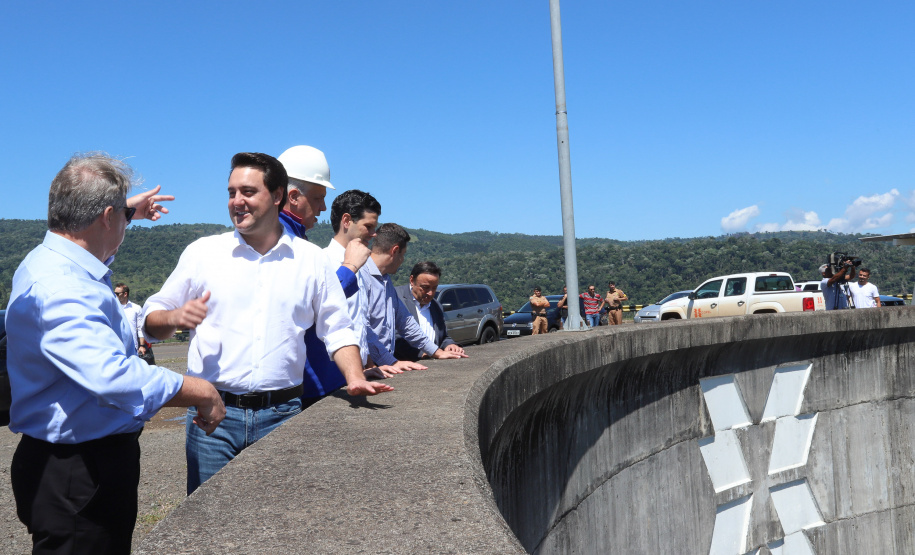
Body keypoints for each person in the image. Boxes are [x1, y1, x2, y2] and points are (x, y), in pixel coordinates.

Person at [7, 153, 225, 553]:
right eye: (120, 215)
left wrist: (125, 213)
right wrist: (200, 390)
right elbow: (114, 377)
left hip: (70, 464)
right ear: (106, 216)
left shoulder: (49, 262)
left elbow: (90, 255)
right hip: (79, 471)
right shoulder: (63, 286)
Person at [143, 152, 392, 494]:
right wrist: (171, 318)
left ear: (277, 196)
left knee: (278, 524)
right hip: (213, 418)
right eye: (232, 193)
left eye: (247, 192)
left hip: (284, 415)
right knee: (209, 524)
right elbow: (153, 317)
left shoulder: (311, 261)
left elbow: (337, 327)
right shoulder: (203, 253)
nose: (237, 201)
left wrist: (354, 377)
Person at [275, 147, 375, 403]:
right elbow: (312, 302)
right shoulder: (283, 243)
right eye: (319, 198)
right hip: (307, 388)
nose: (322, 208)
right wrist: (349, 268)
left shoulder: (293, 238)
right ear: (293, 196)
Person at [361, 223, 465, 366]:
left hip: (383, 364)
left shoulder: (386, 280)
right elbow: (363, 328)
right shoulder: (361, 276)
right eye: (403, 255)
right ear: (395, 250)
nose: (402, 261)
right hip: (369, 366)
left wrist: (436, 352)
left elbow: (405, 322)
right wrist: (391, 362)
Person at [394, 261, 468, 360]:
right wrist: (424, 353)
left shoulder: (436, 306)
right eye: (425, 287)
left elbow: (443, 337)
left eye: (434, 288)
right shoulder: (395, 298)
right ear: (412, 280)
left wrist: (450, 345)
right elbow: (393, 337)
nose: (430, 293)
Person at [114, 282, 151, 359]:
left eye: (118, 294)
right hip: (116, 346)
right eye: (114, 293)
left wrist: (142, 345)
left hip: (133, 347)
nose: (115, 296)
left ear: (125, 294)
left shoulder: (136, 308)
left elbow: (140, 328)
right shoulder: (112, 308)